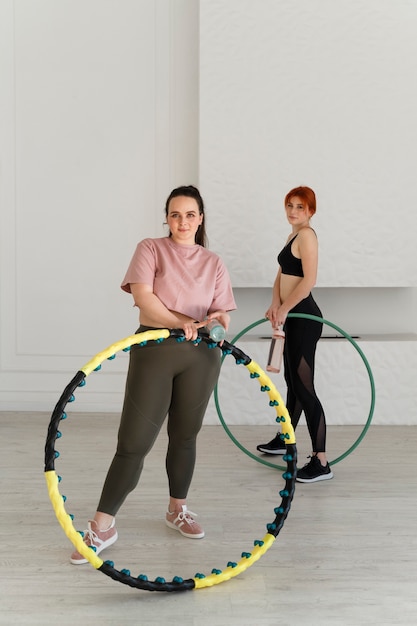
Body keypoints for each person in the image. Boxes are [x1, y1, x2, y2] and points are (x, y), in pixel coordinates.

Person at [70, 185, 236, 564]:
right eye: (175, 214)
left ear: (201, 218)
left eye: (190, 214)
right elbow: (145, 299)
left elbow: (221, 312)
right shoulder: (150, 248)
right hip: (155, 350)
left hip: (203, 355)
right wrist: (184, 323)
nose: (182, 221)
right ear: (167, 217)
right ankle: (102, 527)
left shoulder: (213, 262)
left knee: (185, 436)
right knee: (134, 441)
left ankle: (177, 508)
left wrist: (213, 320)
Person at [257, 186, 333, 483]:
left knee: (304, 388)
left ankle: (321, 461)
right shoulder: (292, 235)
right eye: (289, 205)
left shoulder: (307, 236)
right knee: (292, 383)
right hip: (292, 316)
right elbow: (281, 274)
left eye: (300, 207)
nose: (293, 211)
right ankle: (285, 438)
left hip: (305, 318)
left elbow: (308, 281)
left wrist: (286, 307)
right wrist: (275, 304)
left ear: (310, 211)